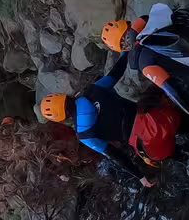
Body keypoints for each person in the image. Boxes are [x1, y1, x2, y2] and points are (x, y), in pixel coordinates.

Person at [39, 66, 177, 188]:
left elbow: (115, 155)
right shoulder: (93, 89)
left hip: (149, 143)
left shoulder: (84, 134)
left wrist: (141, 177)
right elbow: (115, 73)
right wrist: (126, 53)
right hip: (158, 117)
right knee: (188, 123)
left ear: (62, 118)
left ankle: (179, 154)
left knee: (172, 154)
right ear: (65, 97)